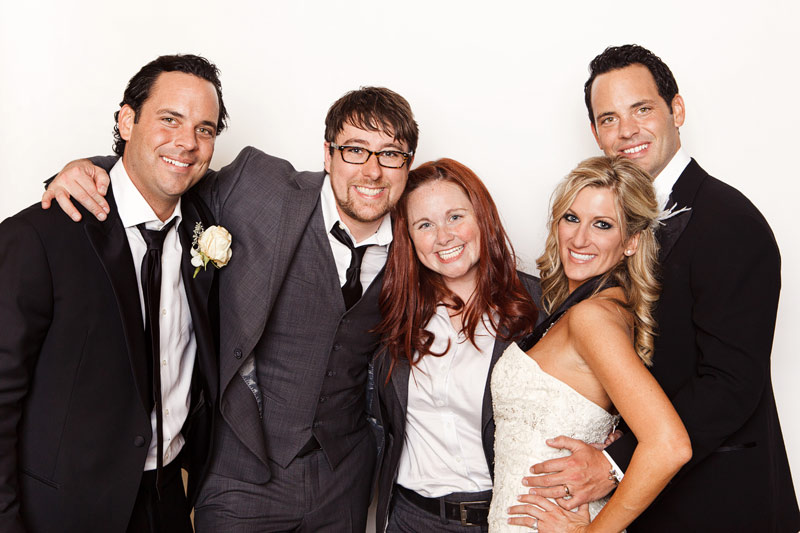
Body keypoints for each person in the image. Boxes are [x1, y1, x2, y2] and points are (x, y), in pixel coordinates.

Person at [42, 87, 419, 531]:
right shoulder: (260, 186)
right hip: (240, 474)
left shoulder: (420, 238)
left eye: (391, 154)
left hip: (344, 480)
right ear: (328, 153)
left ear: (408, 164)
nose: (372, 170)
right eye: (355, 150)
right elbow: (169, 175)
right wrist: (90, 170)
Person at [524, 44, 800, 532]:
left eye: (642, 109)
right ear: (595, 133)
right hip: (638, 507)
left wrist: (614, 463)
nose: (627, 130)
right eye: (609, 119)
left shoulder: (728, 221)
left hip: (719, 504)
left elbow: (732, 382)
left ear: (677, 110)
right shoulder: (603, 224)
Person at [0, 54, 225, 533]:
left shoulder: (207, 226)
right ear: (127, 121)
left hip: (169, 499)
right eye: (170, 119)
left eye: (204, 129)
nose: (187, 142)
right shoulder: (38, 236)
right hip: (64, 511)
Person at [491, 156, 691, 532]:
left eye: (602, 224)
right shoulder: (594, 309)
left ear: (631, 241)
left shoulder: (592, 318)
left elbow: (669, 445)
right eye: (572, 218)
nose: (580, 239)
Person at [373, 158, 541, 531]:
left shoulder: (538, 306)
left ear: (482, 217)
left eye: (455, 217)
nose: (444, 237)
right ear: (408, 237)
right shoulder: (394, 313)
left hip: (511, 519)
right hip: (411, 519)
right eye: (425, 225)